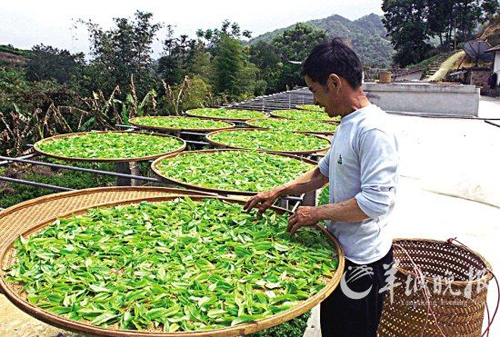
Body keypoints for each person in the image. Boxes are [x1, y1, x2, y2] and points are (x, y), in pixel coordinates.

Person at [244, 38, 399, 336]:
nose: (315, 100)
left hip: (364, 264)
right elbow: (322, 173)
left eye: (315, 91)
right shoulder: (347, 123)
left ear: (334, 82)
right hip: (342, 253)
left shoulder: (374, 131)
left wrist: (314, 213)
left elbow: (375, 203)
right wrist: (279, 191)